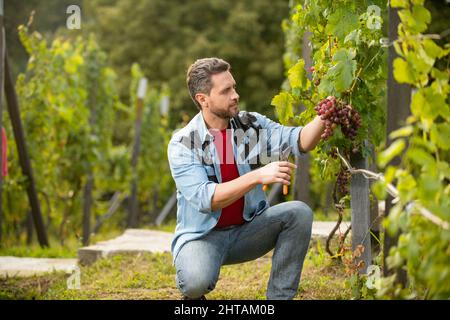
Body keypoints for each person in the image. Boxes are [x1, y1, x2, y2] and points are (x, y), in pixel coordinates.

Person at [167, 57, 327, 300]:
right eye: (226, 90)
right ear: (203, 99)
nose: (235, 95)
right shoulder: (184, 143)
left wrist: (325, 115)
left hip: (248, 230)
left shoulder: (248, 126)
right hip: (204, 236)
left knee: (299, 213)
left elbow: (298, 140)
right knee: (195, 282)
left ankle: (279, 298)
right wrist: (258, 175)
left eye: (234, 87)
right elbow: (206, 198)